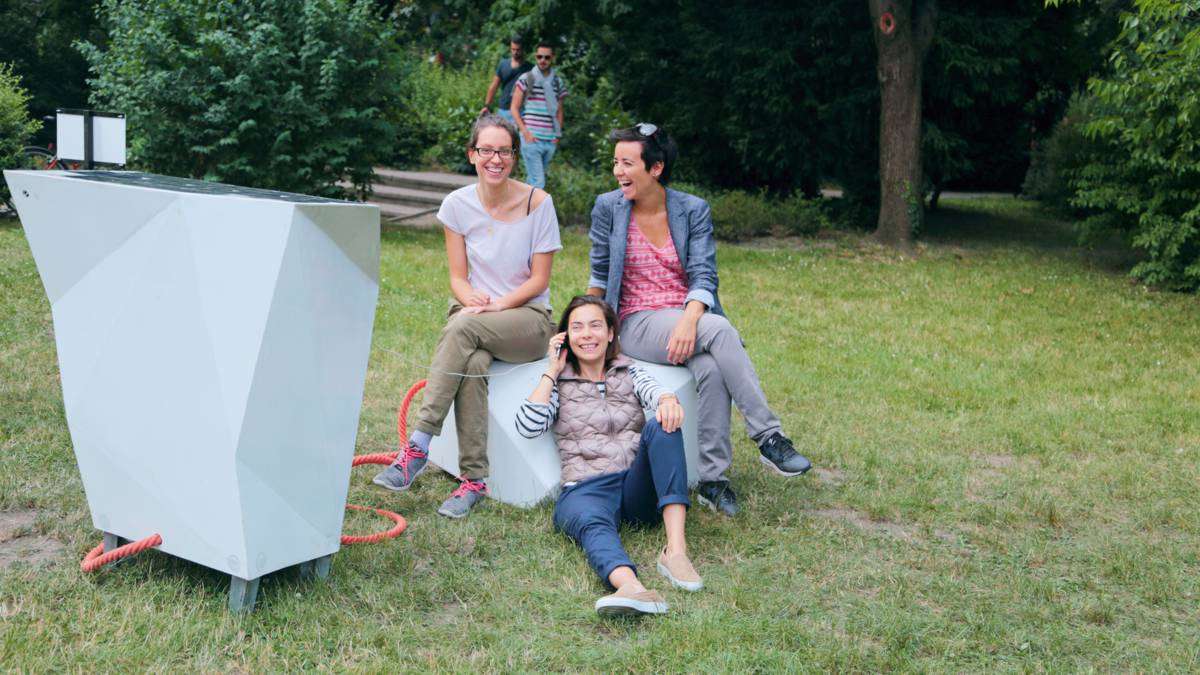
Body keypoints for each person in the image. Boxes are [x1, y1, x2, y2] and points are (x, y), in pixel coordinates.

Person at [586, 124, 812, 518]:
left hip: (686, 317)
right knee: (720, 329)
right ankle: (769, 437)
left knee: (711, 368)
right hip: (636, 321)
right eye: (615, 163)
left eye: (627, 163)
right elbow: (600, 274)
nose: (618, 171)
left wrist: (689, 321)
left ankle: (712, 479)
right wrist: (584, 323)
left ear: (656, 168)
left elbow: (704, 275)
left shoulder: (692, 210)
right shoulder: (609, 207)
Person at [373, 113, 561, 519]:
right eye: (487, 150)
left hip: (527, 319)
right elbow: (458, 278)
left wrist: (499, 304)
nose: (496, 159)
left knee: (463, 327)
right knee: (472, 361)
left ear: (514, 156)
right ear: (472, 154)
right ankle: (474, 480)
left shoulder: (539, 203)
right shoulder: (456, 205)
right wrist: (472, 298)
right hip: (475, 315)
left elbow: (540, 280)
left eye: (505, 151)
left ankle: (418, 445)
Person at [515, 295, 701, 617]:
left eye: (595, 326)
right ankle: (631, 588)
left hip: (635, 486)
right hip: (587, 488)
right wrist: (552, 371)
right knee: (592, 522)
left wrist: (667, 399)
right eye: (577, 327)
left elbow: (655, 391)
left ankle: (675, 552)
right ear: (566, 337)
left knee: (663, 425)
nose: (587, 334)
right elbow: (528, 426)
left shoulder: (629, 371)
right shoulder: (558, 383)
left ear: (611, 332)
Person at [509, 41, 566, 190]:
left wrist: (557, 136)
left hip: (550, 140)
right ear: (535, 57)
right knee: (538, 181)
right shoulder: (526, 78)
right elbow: (514, 108)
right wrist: (525, 132)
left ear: (552, 58)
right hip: (531, 139)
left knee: (532, 180)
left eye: (547, 57)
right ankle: (533, 206)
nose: (543, 60)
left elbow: (559, 111)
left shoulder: (557, 82)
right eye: (539, 56)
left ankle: (520, 204)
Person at [480, 36, 532, 125]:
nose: (515, 52)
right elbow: (494, 86)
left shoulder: (530, 68)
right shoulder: (503, 65)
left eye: (518, 50)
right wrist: (486, 106)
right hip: (504, 110)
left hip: (522, 111)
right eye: (513, 49)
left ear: (523, 49)